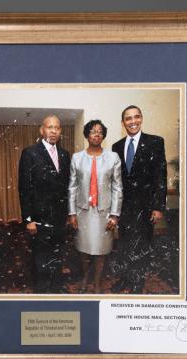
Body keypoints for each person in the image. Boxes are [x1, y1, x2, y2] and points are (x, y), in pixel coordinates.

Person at [111, 105, 167, 293]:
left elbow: (161, 175)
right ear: (123, 122)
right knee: (125, 244)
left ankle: (137, 282)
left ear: (141, 119)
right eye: (128, 118)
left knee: (142, 244)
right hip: (124, 207)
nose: (132, 121)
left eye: (136, 117)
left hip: (146, 206)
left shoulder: (155, 142)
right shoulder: (116, 147)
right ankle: (125, 279)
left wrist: (158, 207)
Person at [18, 115, 71, 293]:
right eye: (50, 127)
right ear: (42, 130)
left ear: (60, 131)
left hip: (59, 219)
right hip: (39, 219)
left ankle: (56, 288)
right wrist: (28, 220)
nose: (54, 131)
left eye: (57, 127)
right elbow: (24, 189)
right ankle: (41, 292)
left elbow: (66, 187)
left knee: (57, 254)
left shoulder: (65, 154)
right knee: (40, 258)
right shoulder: (30, 153)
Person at [68, 120, 122, 294]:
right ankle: (85, 277)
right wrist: (72, 213)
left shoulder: (112, 157)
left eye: (100, 132)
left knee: (101, 250)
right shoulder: (77, 158)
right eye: (92, 131)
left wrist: (114, 214)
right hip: (83, 212)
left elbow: (117, 187)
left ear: (103, 136)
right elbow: (72, 187)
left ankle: (97, 282)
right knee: (84, 249)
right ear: (87, 135)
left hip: (104, 213)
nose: (96, 134)